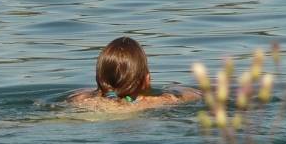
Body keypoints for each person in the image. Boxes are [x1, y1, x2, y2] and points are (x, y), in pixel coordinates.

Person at [66, 37, 201, 111]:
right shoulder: (159, 101)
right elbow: (195, 96)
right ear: (146, 79)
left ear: (99, 77)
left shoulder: (82, 100)